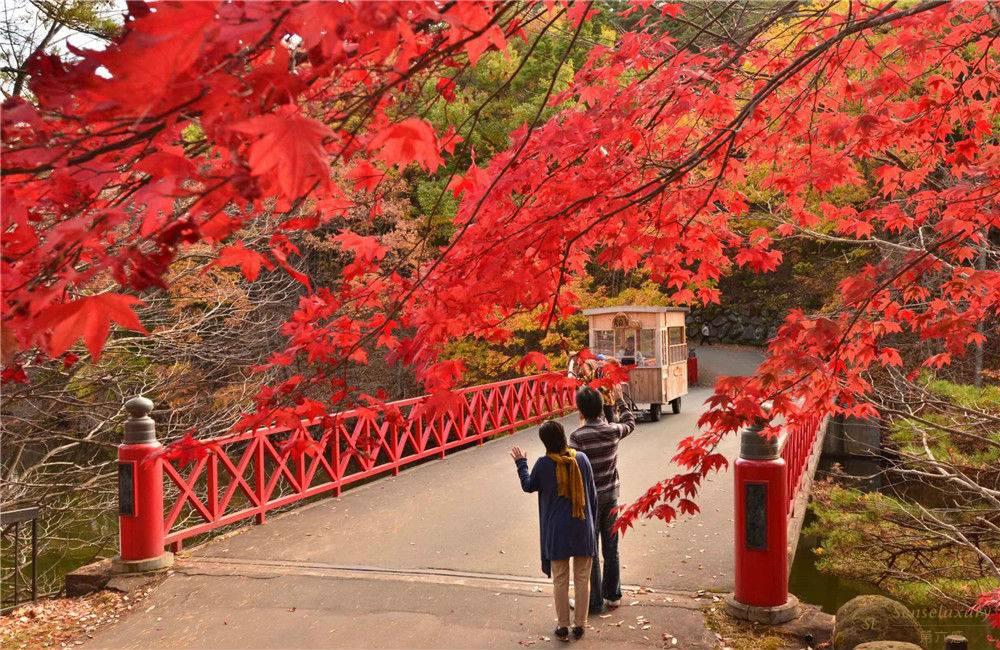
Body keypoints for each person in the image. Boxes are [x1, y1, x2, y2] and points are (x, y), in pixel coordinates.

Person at [512, 420, 599, 641]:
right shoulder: (581, 459)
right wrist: (591, 522)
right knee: (582, 578)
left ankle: (562, 625)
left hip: (556, 531)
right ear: (563, 435)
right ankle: (580, 625)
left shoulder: (543, 464)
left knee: (560, 579)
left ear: (545, 442)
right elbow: (592, 495)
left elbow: (528, 485)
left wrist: (521, 463)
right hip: (582, 524)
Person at [569, 386, 635, 615]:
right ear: (600, 407)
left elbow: (572, 467)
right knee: (611, 547)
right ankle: (613, 596)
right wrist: (618, 400)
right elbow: (630, 422)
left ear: (581, 410)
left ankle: (594, 601)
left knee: (592, 551)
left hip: (589, 500)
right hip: (611, 496)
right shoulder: (613, 431)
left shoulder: (577, 437)